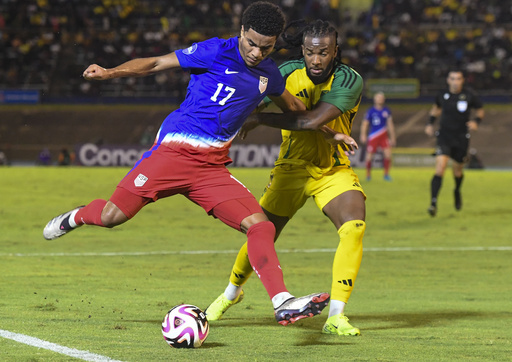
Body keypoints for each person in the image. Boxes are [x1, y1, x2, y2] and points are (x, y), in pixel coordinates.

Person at [43, 1, 330, 326]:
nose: (256, 52)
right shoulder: (213, 51)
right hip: (173, 155)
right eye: (251, 43)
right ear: (241, 33)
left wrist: (331, 130)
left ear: (274, 43)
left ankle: (283, 302)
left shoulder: (269, 74)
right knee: (111, 217)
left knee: (260, 226)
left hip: (211, 170)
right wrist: (110, 72)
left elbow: (292, 106)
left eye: (265, 47)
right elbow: (154, 63)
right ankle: (78, 216)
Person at [206, 20, 366, 336]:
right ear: (302, 51)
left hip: (331, 170)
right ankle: (230, 294)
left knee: (354, 228)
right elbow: (256, 98)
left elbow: (311, 120)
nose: (316, 60)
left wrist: (259, 118)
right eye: (310, 52)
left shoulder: (349, 79)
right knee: (261, 231)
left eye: (323, 53)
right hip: (290, 170)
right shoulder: (287, 71)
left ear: (336, 51)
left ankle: (336, 316)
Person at [425, 69, 484, 216]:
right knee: (440, 167)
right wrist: (430, 123)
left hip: (461, 138)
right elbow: (436, 109)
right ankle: (433, 203)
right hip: (444, 136)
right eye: (452, 78)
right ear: (448, 80)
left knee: (457, 171)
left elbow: (480, 110)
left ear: (462, 80)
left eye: (458, 79)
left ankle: (457, 190)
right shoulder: (442, 95)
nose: (455, 81)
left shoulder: (470, 95)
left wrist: (476, 121)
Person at [359, 91, 396, 181]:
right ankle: (368, 175)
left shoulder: (386, 111)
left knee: (388, 155)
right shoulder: (370, 111)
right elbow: (365, 124)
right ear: (375, 99)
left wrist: (393, 137)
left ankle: (386, 175)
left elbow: (390, 124)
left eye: (381, 98)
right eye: (378, 97)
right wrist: (363, 135)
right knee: (369, 156)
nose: (380, 99)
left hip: (383, 135)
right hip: (373, 136)